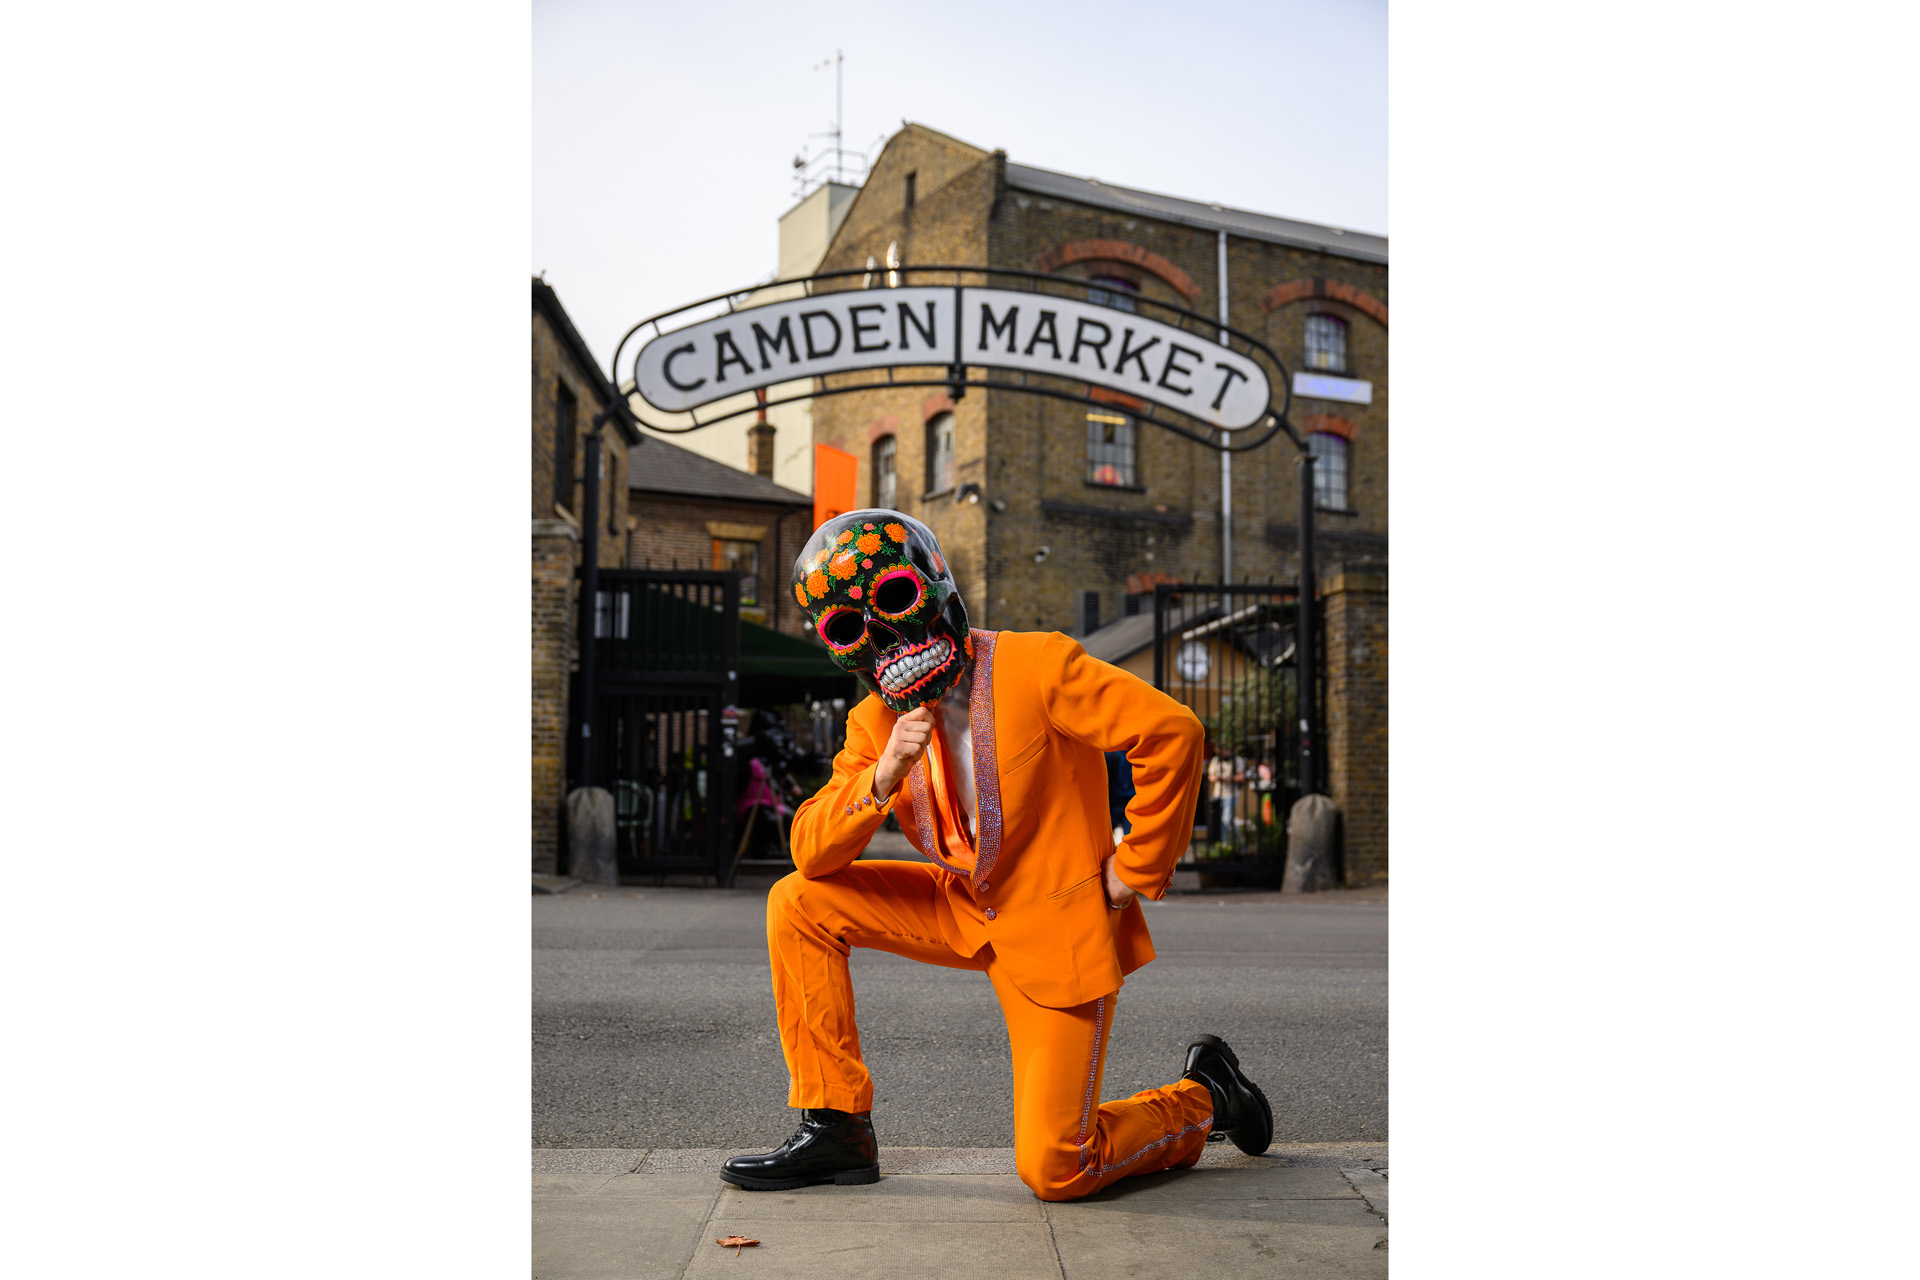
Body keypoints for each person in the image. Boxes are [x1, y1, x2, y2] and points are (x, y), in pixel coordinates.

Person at [720, 510, 1273, 1202]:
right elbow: (810, 851)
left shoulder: (1036, 665)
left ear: (938, 589)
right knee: (797, 902)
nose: (885, 635)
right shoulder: (876, 723)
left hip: (1054, 929)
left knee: (1057, 1168)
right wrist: (881, 777)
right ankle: (836, 1125)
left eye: (893, 599)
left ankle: (1206, 1098)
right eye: (847, 627)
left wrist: (1134, 867)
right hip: (960, 910)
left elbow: (1172, 733)